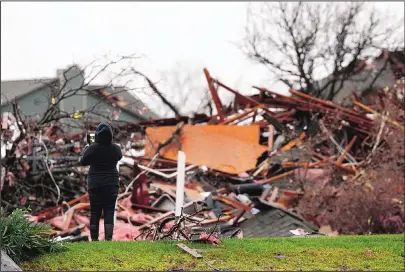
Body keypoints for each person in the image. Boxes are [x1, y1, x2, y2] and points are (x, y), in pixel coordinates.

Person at [80, 122, 122, 241]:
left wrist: (88, 148)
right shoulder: (115, 148)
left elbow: (83, 162)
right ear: (110, 135)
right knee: (109, 210)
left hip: (95, 184)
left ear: (97, 135)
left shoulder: (92, 148)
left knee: (95, 212)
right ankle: (108, 240)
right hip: (112, 184)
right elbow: (120, 157)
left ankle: (94, 240)